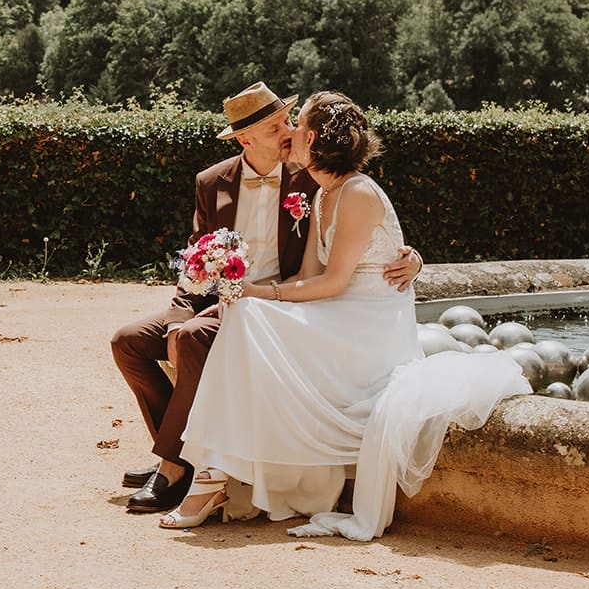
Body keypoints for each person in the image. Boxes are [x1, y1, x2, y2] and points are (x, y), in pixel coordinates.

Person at [165, 91, 528, 537]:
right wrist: (252, 296)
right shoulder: (322, 195)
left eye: (295, 123)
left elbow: (332, 283)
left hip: (369, 323)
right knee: (247, 315)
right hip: (336, 314)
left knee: (248, 315)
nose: (290, 131)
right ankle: (213, 472)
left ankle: (212, 474)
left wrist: (257, 291)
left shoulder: (356, 192)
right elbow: (307, 276)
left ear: (312, 137)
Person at [111, 82, 423, 515]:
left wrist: (415, 260)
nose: (289, 130)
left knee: (193, 340)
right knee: (128, 341)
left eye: (290, 121)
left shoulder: (312, 178)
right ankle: (178, 449)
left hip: (275, 305)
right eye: (277, 125)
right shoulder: (212, 181)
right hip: (223, 300)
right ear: (245, 138)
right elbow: (195, 260)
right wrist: (178, 316)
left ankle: (174, 469)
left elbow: (368, 230)